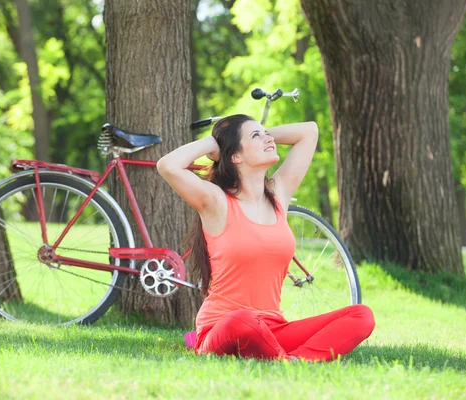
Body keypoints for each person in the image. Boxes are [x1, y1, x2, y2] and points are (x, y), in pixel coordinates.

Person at [157, 114, 375, 361]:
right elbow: (167, 166)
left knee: (362, 315)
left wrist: (258, 136)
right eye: (256, 136)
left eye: (266, 134)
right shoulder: (216, 202)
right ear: (236, 156)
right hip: (225, 327)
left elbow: (309, 131)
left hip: (273, 328)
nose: (268, 138)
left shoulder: (278, 195)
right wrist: (215, 143)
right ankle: (281, 359)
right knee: (244, 320)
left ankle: (295, 361)